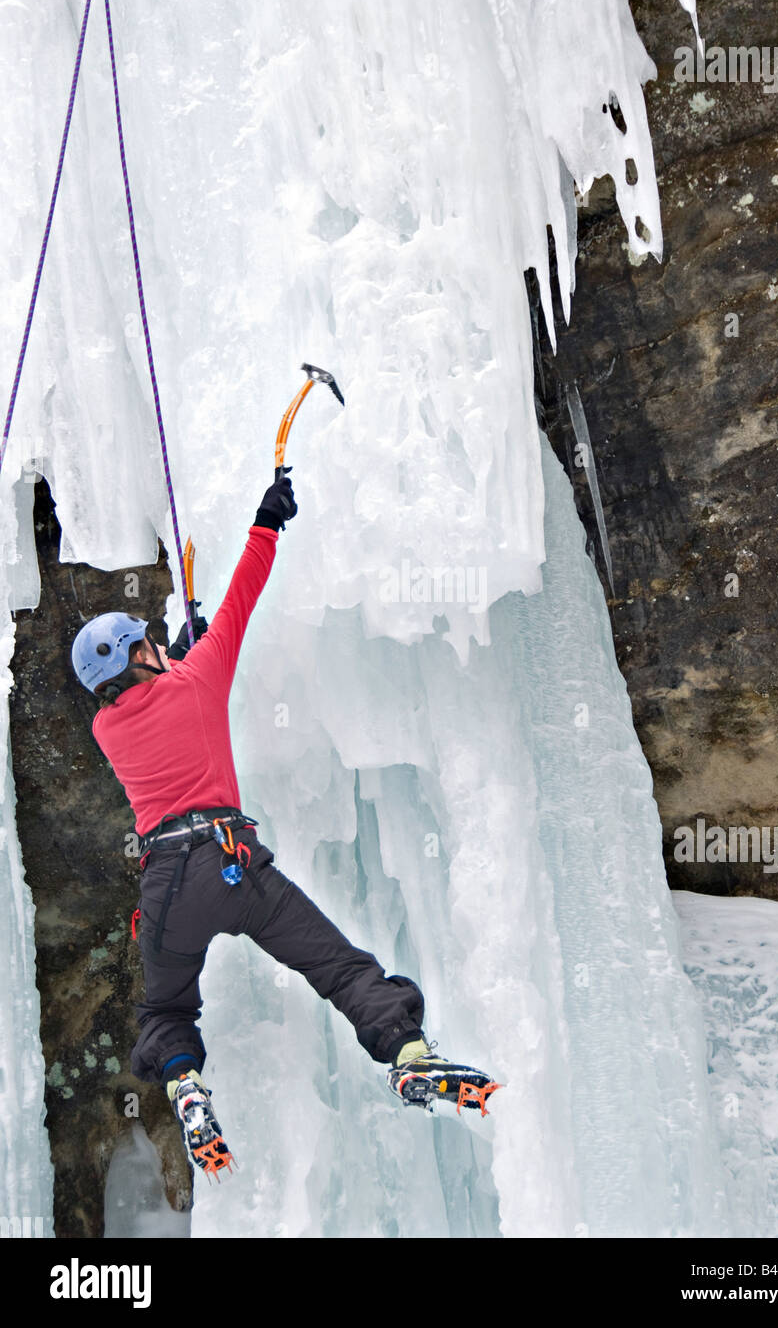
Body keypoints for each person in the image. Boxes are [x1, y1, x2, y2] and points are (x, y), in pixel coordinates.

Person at [71, 471, 496, 1179]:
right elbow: (243, 594)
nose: (157, 648)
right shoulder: (197, 676)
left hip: (167, 888)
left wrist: (181, 647)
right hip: (236, 864)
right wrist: (269, 519)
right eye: (147, 644)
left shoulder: (107, 729)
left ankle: (183, 1082)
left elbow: (159, 695)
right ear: (140, 656)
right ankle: (409, 1059)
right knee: (339, 969)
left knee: (167, 1010)